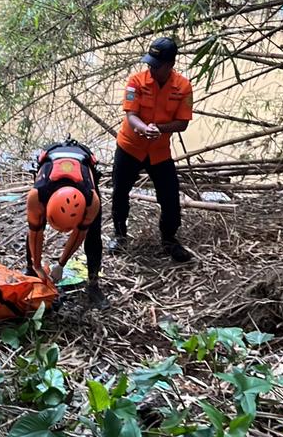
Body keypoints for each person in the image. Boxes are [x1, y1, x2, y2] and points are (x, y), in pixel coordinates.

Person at [110, 37, 193, 263]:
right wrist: (144, 129)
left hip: (159, 151)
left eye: (156, 65)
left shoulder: (184, 87)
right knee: (120, 191)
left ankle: (169, 239)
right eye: (149, 63)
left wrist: (160, 129)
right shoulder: (135, 81)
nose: (151, 68)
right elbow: (130, 114)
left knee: (169, 196)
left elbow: (183, 123)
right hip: (130, 146)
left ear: (170, 65)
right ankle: (119, 235)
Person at [26, 139, 105, 307]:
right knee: (34, 227)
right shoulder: (37, 196)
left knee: (94, 236)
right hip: (52, 167)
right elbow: (35, 232)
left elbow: (80, 234)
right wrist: (38, 265)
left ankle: (93, 283)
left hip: (82, 169)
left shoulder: (91, 201)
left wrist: (61, 264)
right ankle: (30, 270)